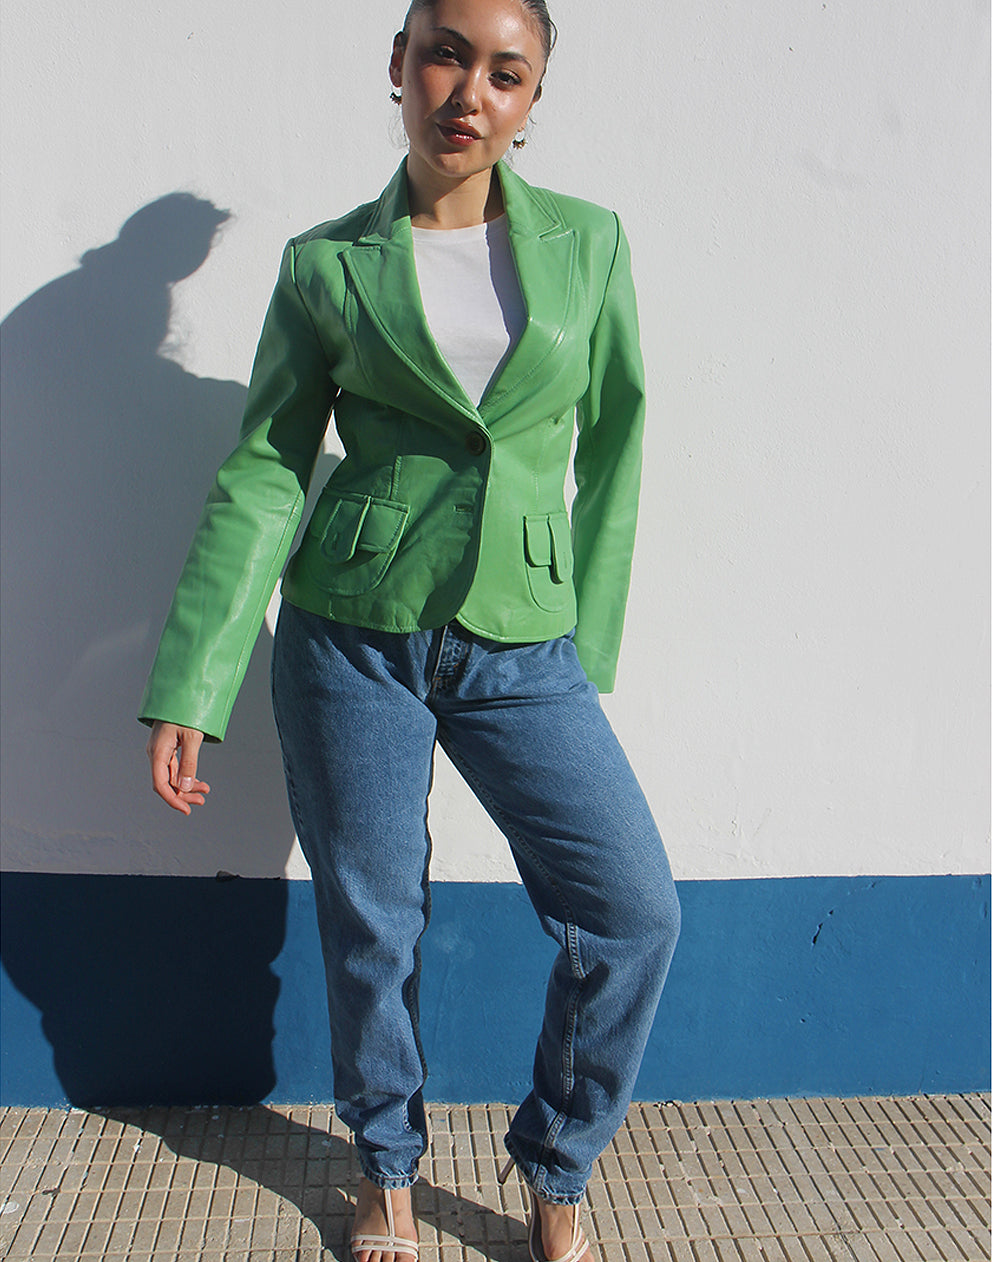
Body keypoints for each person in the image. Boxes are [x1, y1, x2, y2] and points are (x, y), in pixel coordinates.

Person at [141, 1, 681, 1258]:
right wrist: (192, 678)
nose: (468, 92)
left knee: (632, 911)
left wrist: (580, 641)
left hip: (521, 641)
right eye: (445, 54)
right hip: (352, 631)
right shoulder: (325, 262)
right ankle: (384, 1164)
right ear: (398, 63)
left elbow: (616, 445)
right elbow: (267, 470)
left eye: (507, 72)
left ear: (532, 97)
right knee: (373, 919)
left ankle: (557, 1160)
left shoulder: (588, 246)